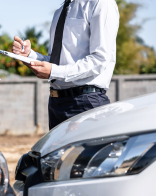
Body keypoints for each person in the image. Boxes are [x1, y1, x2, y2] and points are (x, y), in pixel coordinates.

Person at [12, 0, 119, 130]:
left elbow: (100, 59)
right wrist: (30, 55)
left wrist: (54, 72)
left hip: (85, 102)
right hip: (56, 104)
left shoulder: (101, 3)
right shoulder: (60, 11)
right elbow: (57, 62)